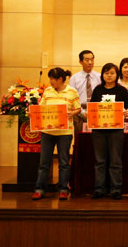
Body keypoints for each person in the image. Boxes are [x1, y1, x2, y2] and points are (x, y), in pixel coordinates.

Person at [32, 68, 81, 201]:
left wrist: (72, 113)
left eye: (52, 79)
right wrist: (34, 113)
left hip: (65, 132)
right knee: (44, 162)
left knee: (64, 162)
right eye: (50, 79)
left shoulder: (72, 91)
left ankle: (63, 189)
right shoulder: (47, 91)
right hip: (47, 132)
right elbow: (41, 108)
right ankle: (39, 189)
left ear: (60, 79)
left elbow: (78, 108)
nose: (50, 81)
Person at [89, 63, 128, 200]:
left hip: (116, 130)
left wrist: (127, 112)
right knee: (99, 161)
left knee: (115, 160)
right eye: (106, 73)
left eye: (112, 73)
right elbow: (92, 108)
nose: (109, 75)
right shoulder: (97, 90)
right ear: (102, 75)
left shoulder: (122, 90)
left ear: (117, 75)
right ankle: (99, 189)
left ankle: (116, 189)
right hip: (98, 130)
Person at [69, 50, 101, 133]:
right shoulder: (74, 78)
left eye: (92, 59)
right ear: (80, 62)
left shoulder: (99, 77)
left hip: (97, 113)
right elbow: (72, 99)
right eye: (87, 60)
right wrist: (82, 112)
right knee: (81, 138)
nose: (90, 62)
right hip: (79, 113)